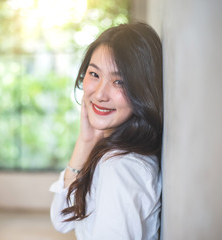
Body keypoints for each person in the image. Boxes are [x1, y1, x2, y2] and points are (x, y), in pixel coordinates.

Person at [49, 22, 163, 239]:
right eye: (94, 74)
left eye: (119, 81)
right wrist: (86, 141)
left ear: (143, 90)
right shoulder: (112, 152)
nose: (100, 94)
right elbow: (62, 219)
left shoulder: (122, 167)